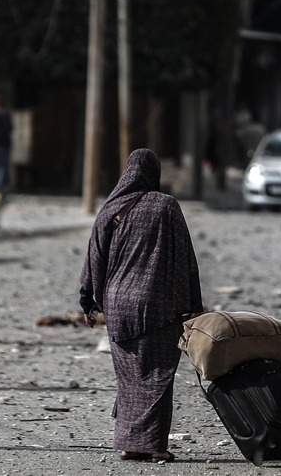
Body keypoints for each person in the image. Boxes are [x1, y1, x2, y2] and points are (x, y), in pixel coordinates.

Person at [79, 148, 203, 463]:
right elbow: (184, 258)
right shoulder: (166, 206)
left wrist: (88, 302)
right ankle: (156, 447)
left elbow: (94, 260)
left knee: (130, 378)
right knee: (157, 377)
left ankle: (130, 445)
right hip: (156, 304)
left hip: (117, 305)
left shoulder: (110, 209)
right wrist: (192, 304)